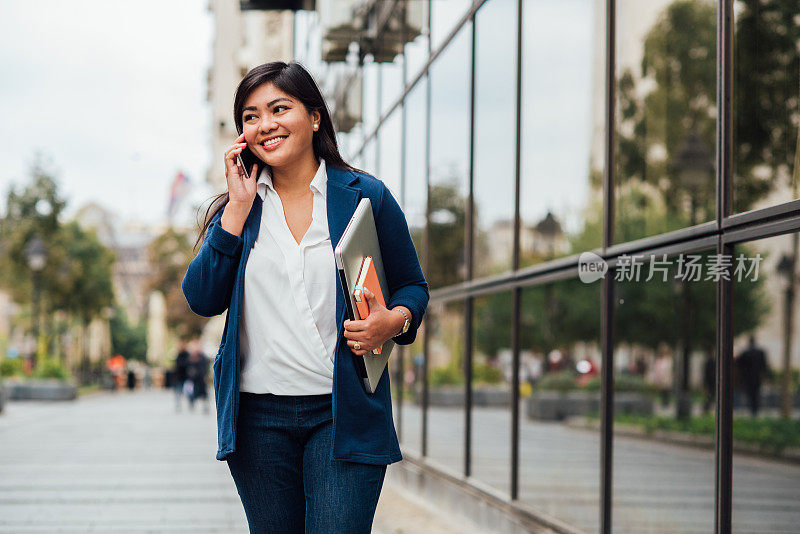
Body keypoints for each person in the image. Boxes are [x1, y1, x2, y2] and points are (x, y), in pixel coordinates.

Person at [182, 61, 429, 533]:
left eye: (280, 108)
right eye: (251, 116)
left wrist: (390, 322)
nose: (265, 124)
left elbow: (412, 287)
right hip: (258, 420)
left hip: (343, 412)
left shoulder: (364, 197)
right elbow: (201, 297)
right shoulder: (240, 207)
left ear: (315, 116)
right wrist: (236, 208)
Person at [735, 334, 770, 417]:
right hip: (757, 377)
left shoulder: (745, 353)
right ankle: (755, 410)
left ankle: (752, 410)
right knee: (756, 394)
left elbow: (739, 365)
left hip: (748, 378)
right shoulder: (760, 352)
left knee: (750, 394)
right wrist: (766, 376)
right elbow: (764, 366)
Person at [186, 339, 210, 414]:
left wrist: (205, 375)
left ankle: (205, 407)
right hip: (193, 379)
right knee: (192, 393)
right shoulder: (191, 357)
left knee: (203, 393)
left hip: (201, 378)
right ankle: (192, 404)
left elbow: (205, 367)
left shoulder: (203, 357)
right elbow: (188, 367)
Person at [173, 340, 191, 412]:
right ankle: (178, 405)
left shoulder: (187, 355)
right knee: (177, 392)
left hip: (186, 377)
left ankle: (190, 403)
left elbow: (186, 364)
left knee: (188, 392)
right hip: (178, 377)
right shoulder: (178, 355)